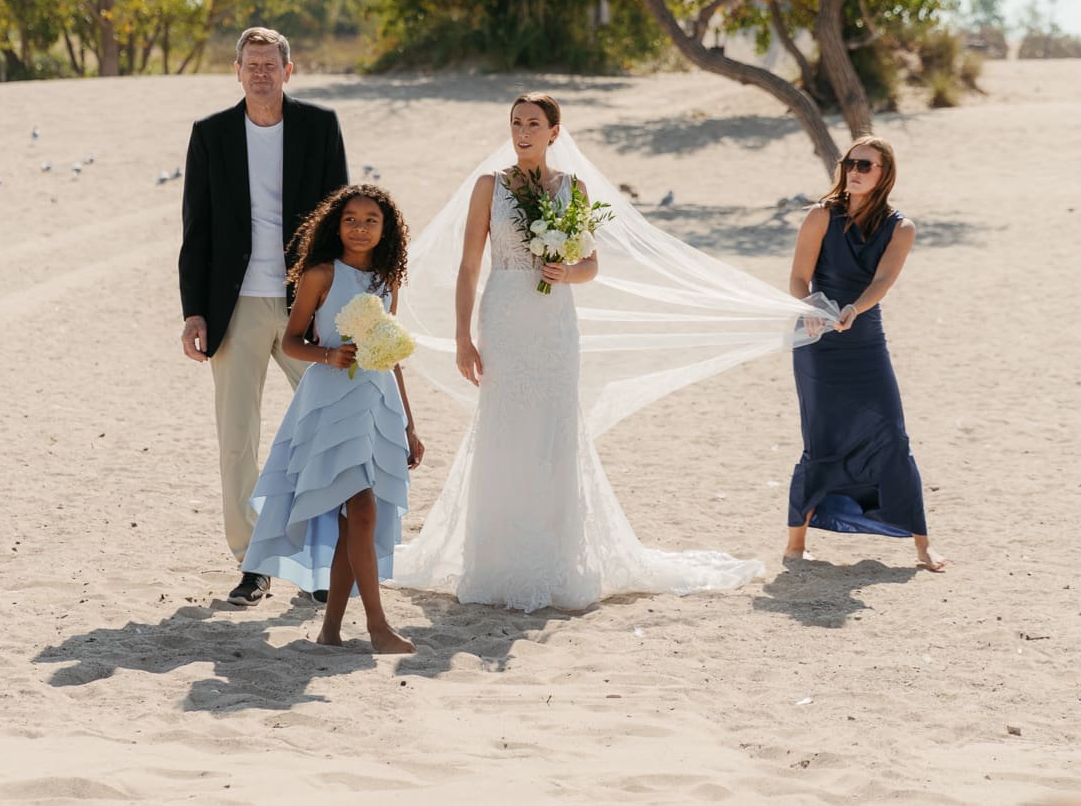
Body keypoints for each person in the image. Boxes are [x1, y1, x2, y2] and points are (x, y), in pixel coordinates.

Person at [391, 93, 767, 612]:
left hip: (554, 324)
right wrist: (462, 337)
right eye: (516, 123)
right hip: (503, 316)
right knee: (503, 426)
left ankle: (555, 557)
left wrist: (568, 272)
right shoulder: (489, 186)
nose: (522, 132)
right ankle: (496, 559)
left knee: (553, 427)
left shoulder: (574, 189)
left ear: (555, 132)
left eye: (533, 124)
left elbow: (592, 264)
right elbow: (468, 267)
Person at [177, 26, 350, 607]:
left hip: (308, 302)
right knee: (238, 440)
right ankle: (253, 564)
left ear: (288, 70)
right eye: (250, 64)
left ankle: (319, 563)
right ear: (237, 70)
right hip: (236, 307)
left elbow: (340, 220)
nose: (260, 73)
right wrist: (194, 312)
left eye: (269, 64)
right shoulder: (210, 135)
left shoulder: (320, 126)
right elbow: (195, 229)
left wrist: (339, 298)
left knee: (327, 427)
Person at [243, 185, 424, 652]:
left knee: (356, 521)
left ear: (385, 231)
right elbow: (291, 342)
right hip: (329, 401)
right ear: (335, 225)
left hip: (375, 402)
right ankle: (378, 626)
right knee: (361, 510)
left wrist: (408, 423)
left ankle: (330, 631)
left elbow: (392, 353)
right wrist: (328, 354)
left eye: (370, 220)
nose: (360, 228)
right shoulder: (320, 274)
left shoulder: (387, 280)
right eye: (350, 219)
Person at [784, 135, 947, 572]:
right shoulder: (821, 215)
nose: (854, 171)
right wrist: (813, 308)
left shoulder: (901, 227)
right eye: (850, 163)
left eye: (865, 166)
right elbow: (799, 278)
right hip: (817, 339)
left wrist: (856, 308)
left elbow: (882, 282)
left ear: (883, 175)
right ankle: (795, 545)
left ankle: (921, 546)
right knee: (821, 438)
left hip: (865, 338)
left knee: (892, 435)